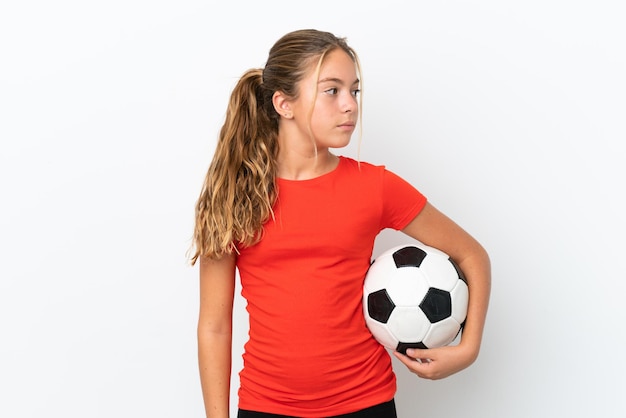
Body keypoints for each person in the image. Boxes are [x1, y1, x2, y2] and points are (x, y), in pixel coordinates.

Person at [190, 29, 491, 418]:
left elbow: (472, 255)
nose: (350, 105)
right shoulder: (236, 195)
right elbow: (214, 326)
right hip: (266, 407)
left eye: (355, 91)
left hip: (365, 403)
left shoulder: (375, 186)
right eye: (332, 90)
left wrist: (467, 349)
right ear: (284, 103)